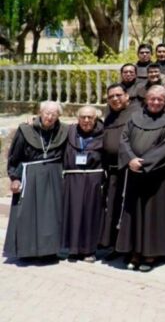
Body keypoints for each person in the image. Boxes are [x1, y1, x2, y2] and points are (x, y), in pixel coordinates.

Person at [117, 85, 165, 271]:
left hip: (157, 176)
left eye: (160, 99)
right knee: (134, 213)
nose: (156, 102)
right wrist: (130, 159)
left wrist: (144, 164)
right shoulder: (134, 118)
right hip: (135, 174)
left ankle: (151, 254)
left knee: (154, 215)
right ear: (146, 99)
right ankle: (134, 251)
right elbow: (124, 140)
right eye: (152, 98)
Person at [3, 101, 68, 260]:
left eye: (54, 114)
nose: (50, 117)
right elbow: (15, 156)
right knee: (26, 215)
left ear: (58, 116)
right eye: (47, 113)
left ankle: (50, 251)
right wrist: (15, 178)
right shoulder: (26, 129)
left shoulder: (64, 130)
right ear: (40, 112)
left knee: (51, 216)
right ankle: (26, 251)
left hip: (54, 176)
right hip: (30, 175)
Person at [61, 106, 105, 263]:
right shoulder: (69, 131)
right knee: (73, 213)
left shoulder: (103, 133)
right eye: (83, 117)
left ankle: (89, 250)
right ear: (77, 118)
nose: (86, 120)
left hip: (94, 179)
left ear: (96, 119)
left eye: (90, 117)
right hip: (73, 179)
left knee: (90, 214)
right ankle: (73, 249)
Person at [99, 84, 134, 252]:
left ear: (127, 96)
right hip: (111, 170)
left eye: (118, 95)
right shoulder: (109, 117)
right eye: (111, 96)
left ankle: (126, 246)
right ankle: (112, 244)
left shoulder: (136, 114)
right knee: (112, 207)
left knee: (126, 208)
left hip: (129, 170)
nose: (115, 99)